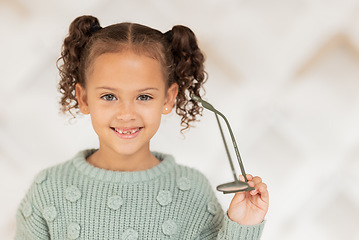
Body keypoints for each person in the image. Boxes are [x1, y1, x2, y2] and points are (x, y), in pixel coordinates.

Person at [15, 15, 269, 239]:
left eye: (144, 97)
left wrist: (243, 225)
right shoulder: (49, 188)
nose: (127, 113)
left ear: (168, 99)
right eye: (109, 96)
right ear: (83, 99)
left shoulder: (192, 190)